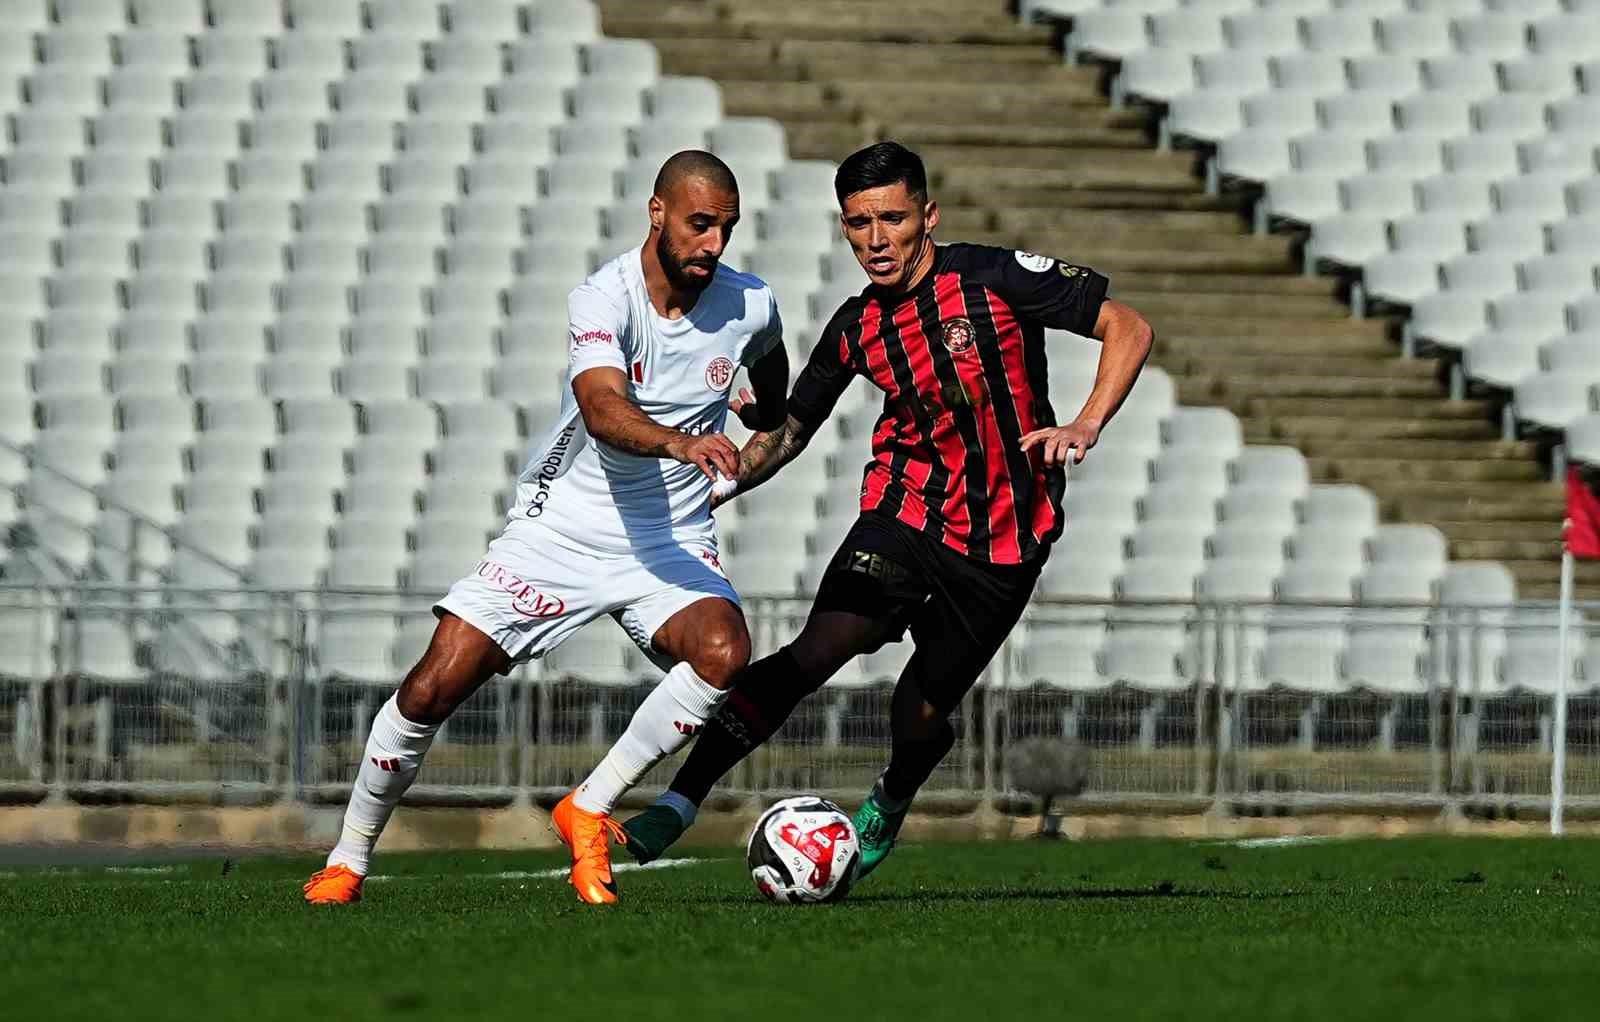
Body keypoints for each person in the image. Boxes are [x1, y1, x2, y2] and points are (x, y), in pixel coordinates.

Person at [622, 141, 1154, 880]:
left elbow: (1127, 325)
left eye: (892, 219)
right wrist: (715, 479)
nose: (876, 240)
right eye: (858, 223)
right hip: (903, 513)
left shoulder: (994, 278)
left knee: (921, 709)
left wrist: (1086, 422)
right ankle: (680, 799)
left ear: (927, 216)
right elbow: (788, 432)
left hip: (1005, 539)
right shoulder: (856, 325)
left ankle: (894, 794)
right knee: (814, 652)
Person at [303, 150, 789, 906]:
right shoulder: (603, 298)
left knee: (725, 651)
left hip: (666, 538)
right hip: (561, 528)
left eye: (727, 228)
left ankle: (588, 806)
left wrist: (750, 429)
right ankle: (348, 858)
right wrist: (682, 441)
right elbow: (601, 410)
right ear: (657, 212)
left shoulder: (752, 303)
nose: (714, 245)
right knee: (433, 686)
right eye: (700, 225)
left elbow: (774, 382)